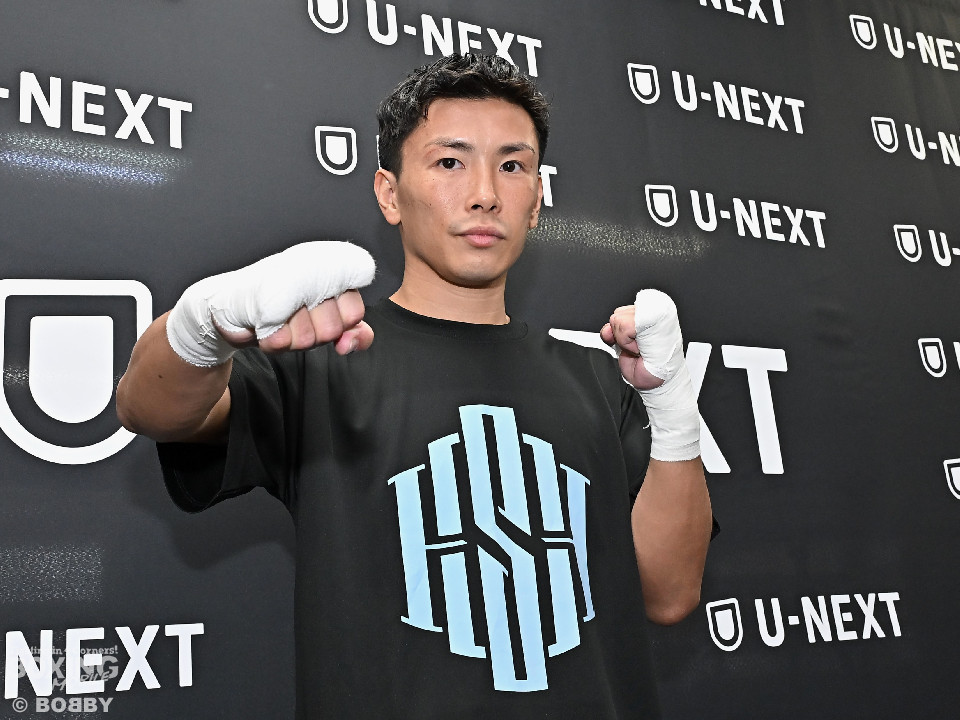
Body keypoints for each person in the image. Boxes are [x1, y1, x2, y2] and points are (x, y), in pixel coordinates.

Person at [117, 53, 713, 720]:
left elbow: (669, 592)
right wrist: (203, 325)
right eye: (450, 162)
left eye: (512, 166)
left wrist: (672, 408)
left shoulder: (598, 378)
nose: (485, 194)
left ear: (538, 200)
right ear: (389, 193)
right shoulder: (322, 359)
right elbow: (149, 410)